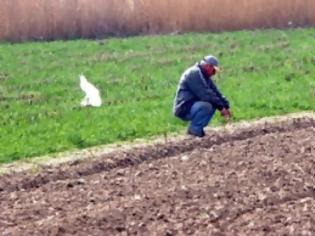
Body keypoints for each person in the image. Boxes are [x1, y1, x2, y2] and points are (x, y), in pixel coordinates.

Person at [173, 55, 232, 137]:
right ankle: (194, 131)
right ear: (208, 66)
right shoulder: (194, 73)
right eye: (213, 70)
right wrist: (221, 108)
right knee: (207, 106)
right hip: (184, 107)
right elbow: (206, 94)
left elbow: (215, 91)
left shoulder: (203, 75)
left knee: (212, 104)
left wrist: (226, 105)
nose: (214, 73)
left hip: (193, 105)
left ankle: (198, 130)